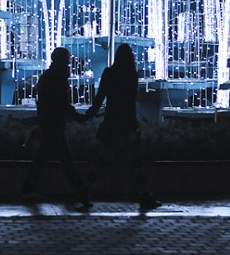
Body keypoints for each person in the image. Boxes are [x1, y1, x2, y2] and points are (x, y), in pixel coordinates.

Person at [85, 43, 161, 210]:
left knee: (102, 158)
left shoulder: (109, 73)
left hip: (112, 121)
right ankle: (143, 195)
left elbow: (100, 96)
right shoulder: (131, 75)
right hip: (126, 123)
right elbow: (130, 101)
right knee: (135, 161)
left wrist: (91, 113)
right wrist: (134, 124)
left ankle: (85, 191)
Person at [21, 47, 92, 208]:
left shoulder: (48, 76)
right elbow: (62, 101)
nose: (69, 61)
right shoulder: (58, 77)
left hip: (50, 122)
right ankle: (80, 192)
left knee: (47, 158)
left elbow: (50, 101)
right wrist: (77, 117)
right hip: (54, 123)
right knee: (63, 160)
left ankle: (29, 188)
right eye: (67, 58)